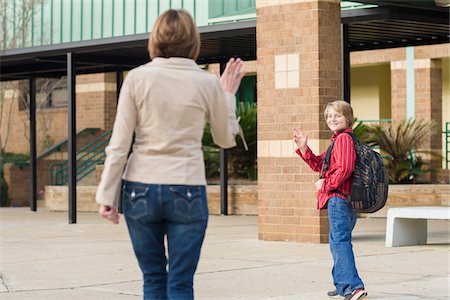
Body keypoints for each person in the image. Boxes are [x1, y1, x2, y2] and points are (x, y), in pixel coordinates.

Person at [95, 9, 245, 300]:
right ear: (193, 40)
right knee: (180, 283)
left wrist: (106, 196)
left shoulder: (137, 78)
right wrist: (227, 95)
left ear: (156, 39)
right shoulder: (207, 82)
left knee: (152, 280)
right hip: (187, 187)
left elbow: (119, 144)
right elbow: (224, 139)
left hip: (139, 188)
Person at [292, 100, 367, 300]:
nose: (332, 119)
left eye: (337, 115)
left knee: (339, 242)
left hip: (339, 199)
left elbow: (344, 169)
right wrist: (304, 148)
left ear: (347, 118)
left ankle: (353, 287)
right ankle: (343, 283)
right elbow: (320, 165)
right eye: (329, 116)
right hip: (346, 200)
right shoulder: (340, 140)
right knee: (338, 242)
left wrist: (324, 185)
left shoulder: (343, 140)